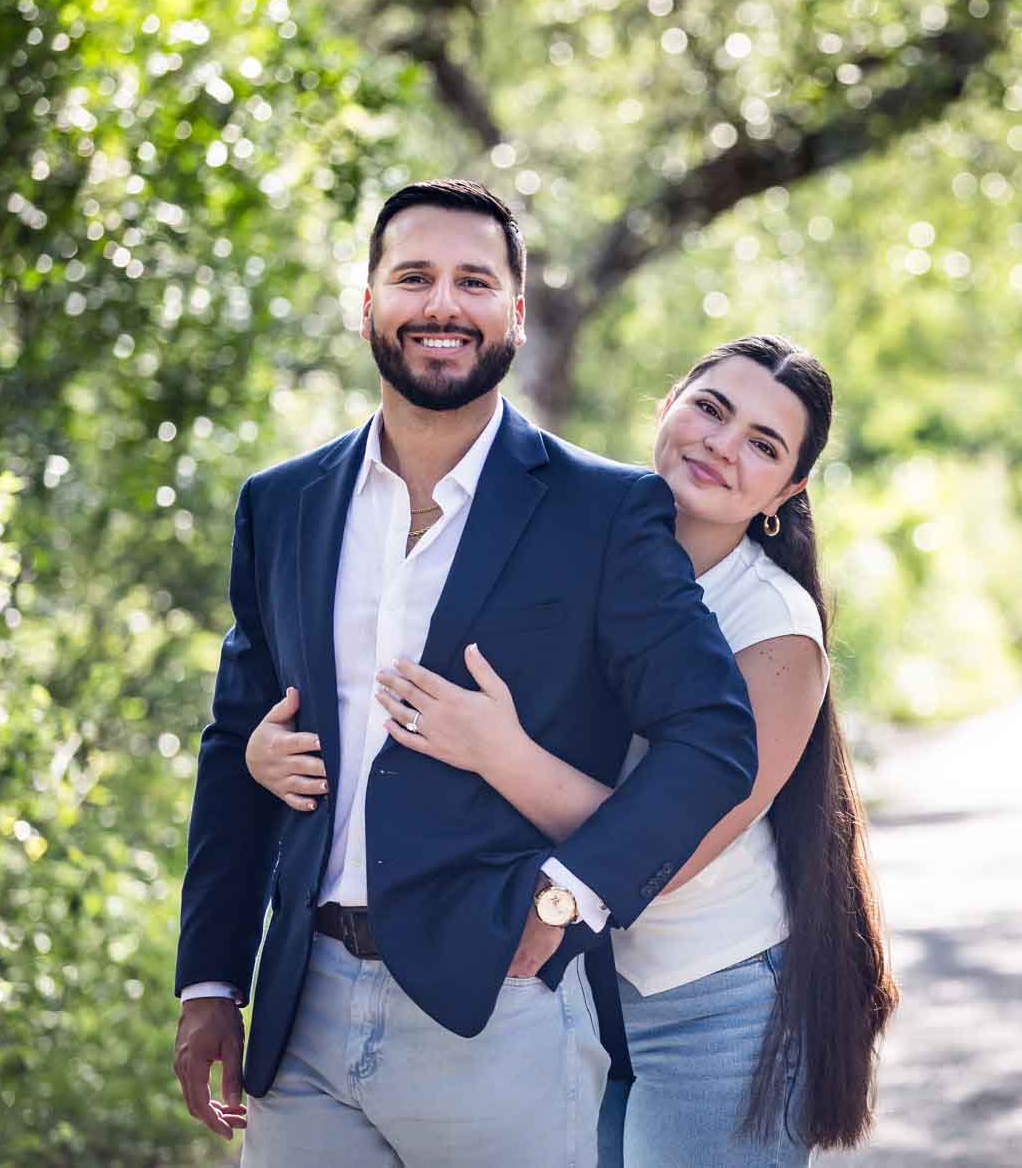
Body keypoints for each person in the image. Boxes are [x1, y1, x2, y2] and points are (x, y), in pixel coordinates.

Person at [170, 179, 758, 1168]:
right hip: (298, 1010)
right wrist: (209, 982)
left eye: (472, 281)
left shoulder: (604, 512)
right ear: (368, 302)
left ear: (514, 315)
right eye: (413, 276)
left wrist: (570, 895)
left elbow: (713, 741)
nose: (441, 303)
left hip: (500, 1008)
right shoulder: (283, 505)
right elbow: (238, 743)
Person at [246, 335, 898, 1164]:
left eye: (764, 445)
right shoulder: (572, 541)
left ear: (790, 488)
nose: (722, 446)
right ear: (667, 405)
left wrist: (501, 753)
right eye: (711, 408)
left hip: (703, 1000)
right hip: (560, 983)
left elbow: (678, 845)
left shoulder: (774, 629)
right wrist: (272, 751)